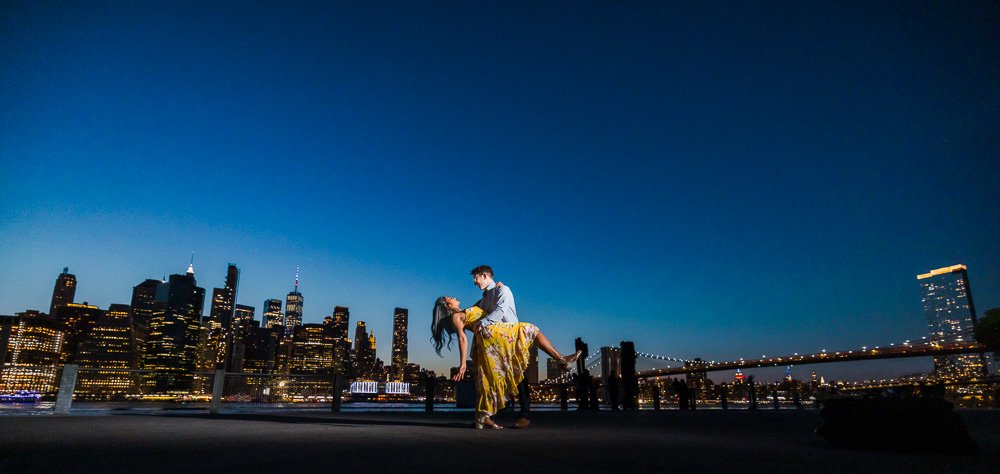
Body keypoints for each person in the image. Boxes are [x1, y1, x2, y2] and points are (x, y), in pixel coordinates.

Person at [432, 294, 579, 429]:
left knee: (490, 378)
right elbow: (462, 338)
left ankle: (482, 417)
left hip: (493, 335)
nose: (453, 296)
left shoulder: (464, 310)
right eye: (449, 297)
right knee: (531, 329)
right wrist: (463, 363)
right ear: (447, 305)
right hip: (494, 335)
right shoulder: (456, 317)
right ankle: (562, 359)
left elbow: (485, 300)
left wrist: (493, 290)